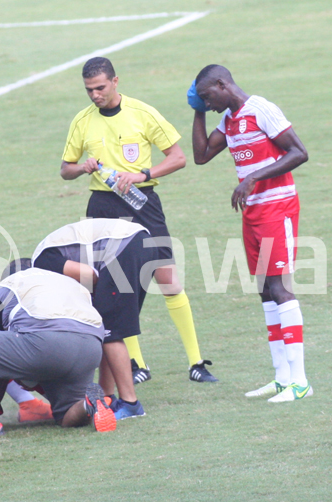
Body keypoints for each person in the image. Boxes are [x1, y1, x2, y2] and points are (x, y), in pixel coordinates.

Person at [59, 56, 217, 384]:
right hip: (102, 207)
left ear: (116, 81)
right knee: (113, 288)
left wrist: (143, 173)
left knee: (167, 279)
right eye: (89, 89)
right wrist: (81, 168)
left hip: (143, 202)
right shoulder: (82, 121)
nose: (94, 95)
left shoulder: (142, 114)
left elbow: (178, 158)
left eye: (100, 87)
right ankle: (135, 364)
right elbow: (65, 169)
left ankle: (196, 362)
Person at [189, 64, 313, 402]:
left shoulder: (261, 109)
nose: (208, 103)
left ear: (222, 83)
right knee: (264, 292)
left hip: (278, 208)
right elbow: (200, 156)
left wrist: (251, 178)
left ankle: (300, 382)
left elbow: (299, 152)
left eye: (207, 97)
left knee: (281, 288)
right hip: (253, 215)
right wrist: (197, 113)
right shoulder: (228, 121)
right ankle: (281, 378)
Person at [0, 264, 116, 437]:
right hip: (92, 346)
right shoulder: (65, 282)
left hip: (47, 343)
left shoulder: (9, 284)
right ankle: (88, 403)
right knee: (66, 415)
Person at [32, 218, 157, 420]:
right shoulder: (46, 253)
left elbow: (89, 275)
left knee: (110, 332)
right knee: (107, 328)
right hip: (142, 244)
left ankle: (131, 404)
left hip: (124, 247)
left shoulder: (42, 263)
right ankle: (107, 397)